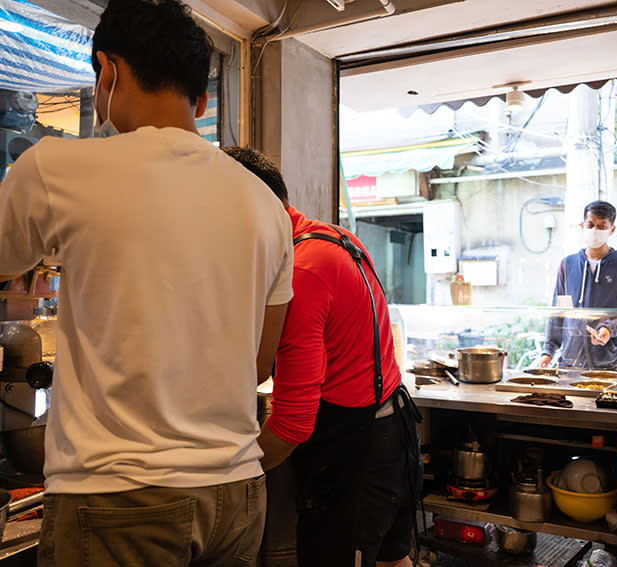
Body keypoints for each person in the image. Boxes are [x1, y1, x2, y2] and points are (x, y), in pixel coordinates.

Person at [0, 1, 293, 565]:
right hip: (237, 493)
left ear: (107, 72)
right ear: (201, 98)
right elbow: (260, 364)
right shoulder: (266, 206)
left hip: (119, 497)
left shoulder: (55, 169)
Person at [223, 147, 422, 567]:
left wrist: (226, 477)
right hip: (392, 432)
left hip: (357, 456)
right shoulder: (335, 237)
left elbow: (293, 424)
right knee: (392, 559)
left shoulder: (300, 273)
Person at [538, 200, 617, 370]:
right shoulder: (568, 265)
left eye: (602, 226)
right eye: (591, 224)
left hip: (609, 364)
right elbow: (559, 311)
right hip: (570, 362)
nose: (595, 231)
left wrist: (609, 329)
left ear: (612, 230)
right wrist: (548, 350)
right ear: (582, 225)